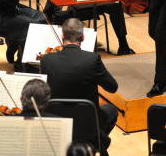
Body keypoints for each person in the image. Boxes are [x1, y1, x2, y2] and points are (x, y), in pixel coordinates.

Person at [40, 18, 118, 156]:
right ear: (82, 37)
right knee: (111, 110)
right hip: (87, 123)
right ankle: (91, 145)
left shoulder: (46, 60)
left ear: (62, 37)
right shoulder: (92, 59)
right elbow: (112, 87)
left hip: (56, 120)